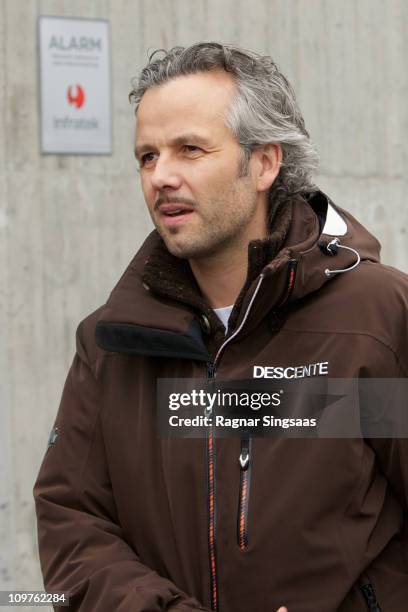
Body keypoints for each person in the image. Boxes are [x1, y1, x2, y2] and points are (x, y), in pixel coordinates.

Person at [34, 42, 408, 612]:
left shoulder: (372, 320)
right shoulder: (111, 342)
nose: (162, 177)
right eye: (147, 157)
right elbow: (73, 522)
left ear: (264, 163)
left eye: (189, 149)